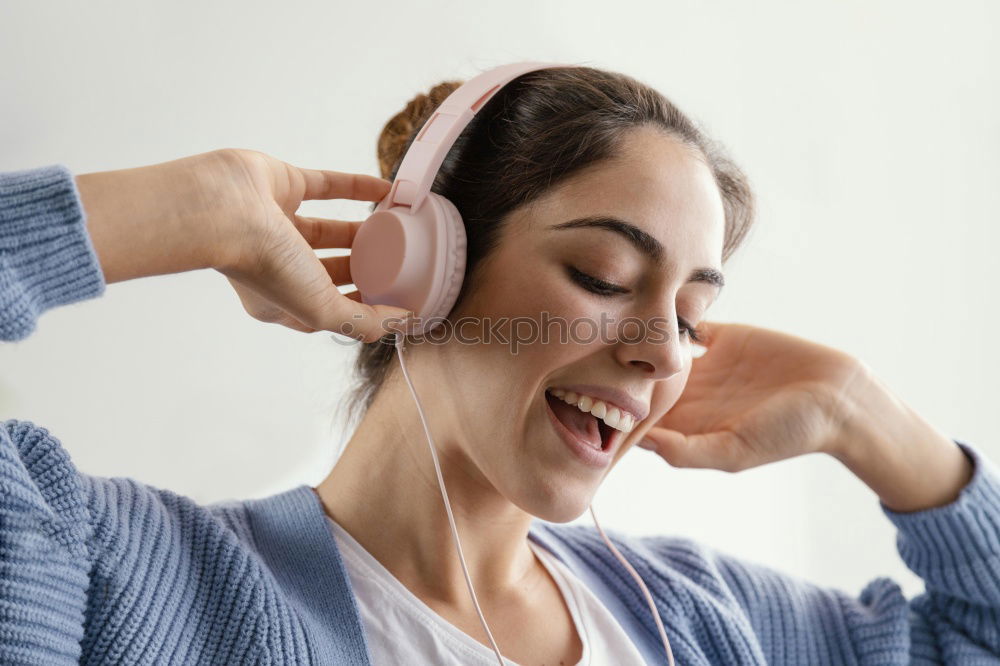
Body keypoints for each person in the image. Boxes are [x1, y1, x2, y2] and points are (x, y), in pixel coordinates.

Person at [0, 65, 997, 666]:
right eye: (602, 274)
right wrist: (184, 210)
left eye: (693, 314)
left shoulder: (696, 620)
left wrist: (865, 415)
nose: (660, 352)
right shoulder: (111, 571)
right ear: (424, 268)